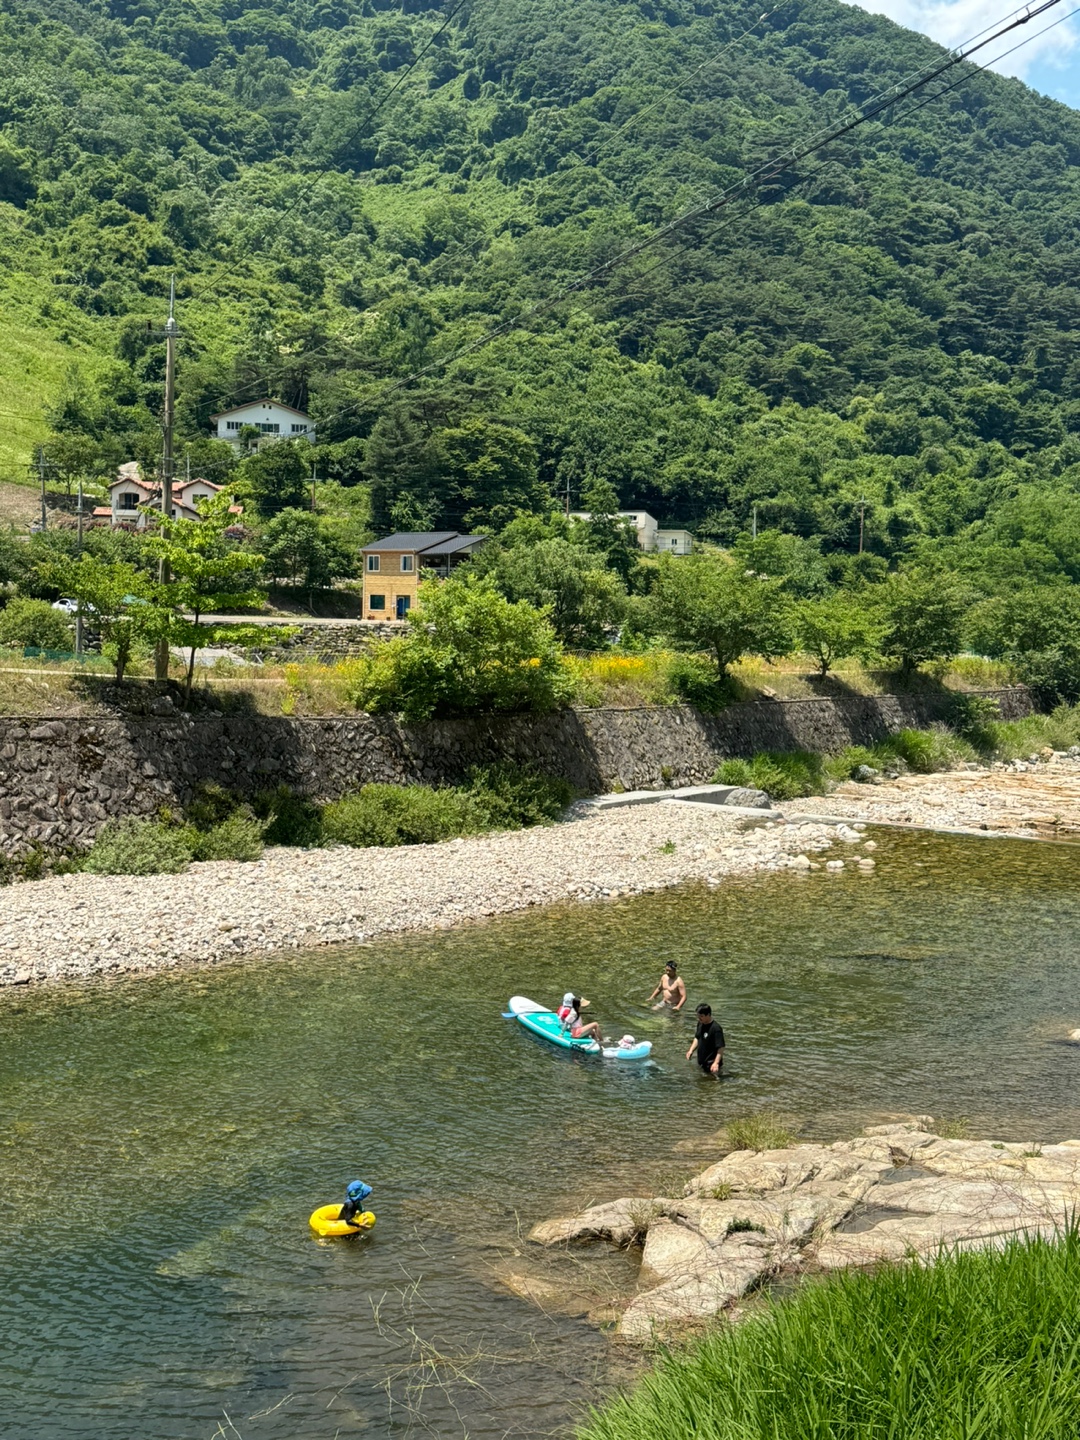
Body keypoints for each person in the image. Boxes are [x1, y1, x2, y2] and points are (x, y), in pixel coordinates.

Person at [686, 1004, 725, 1076]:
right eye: (698, 1016)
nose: (699, 1018)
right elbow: (697, 1037)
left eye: (701, 1016)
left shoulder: (716, 1028)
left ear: (708, 1015)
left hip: (711, 1063)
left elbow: (721, 1047)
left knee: (713, 1084)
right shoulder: (700, 1024)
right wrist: (691, 1050)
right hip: (701, 1061)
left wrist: (716, 1063)